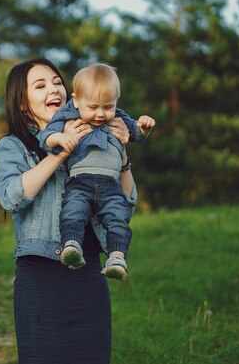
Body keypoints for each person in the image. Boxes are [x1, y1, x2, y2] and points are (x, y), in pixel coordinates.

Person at [0, 58, 137, 364]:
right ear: (21, 103)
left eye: (57, 82)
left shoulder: (96, 137)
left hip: (89, 275)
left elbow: (124, 207)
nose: (53, 89)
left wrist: (121, 152)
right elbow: (12, 197)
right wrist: (61, 151)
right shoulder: (14, 147)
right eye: (40, 85)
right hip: (41, 276)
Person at [38, 63, 155, 280]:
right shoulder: (67, 116)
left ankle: (117, 257)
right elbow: (47, 137)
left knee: (118, 218)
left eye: (108, 106)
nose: (101, 114)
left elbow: (136, 134)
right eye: (93, 107)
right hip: (80, 180)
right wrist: (62, 138)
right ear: (76, 100)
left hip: (111, 183)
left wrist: (143, 127)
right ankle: (71, 245)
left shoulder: (117, 117)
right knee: (73, 211)